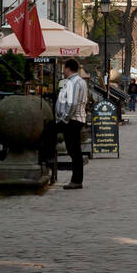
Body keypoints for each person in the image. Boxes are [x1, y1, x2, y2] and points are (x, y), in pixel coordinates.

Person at [55, 58, 89, 189]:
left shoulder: (75, 82)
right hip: (70, 119)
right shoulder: (68, 82)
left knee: (74, 150)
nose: (63, 71)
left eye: (64, 68)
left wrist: (64, 118)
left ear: (68, 68)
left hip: (72, 120)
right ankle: (76, 180)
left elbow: (73, 103)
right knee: (73, 149)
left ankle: (76, 180)